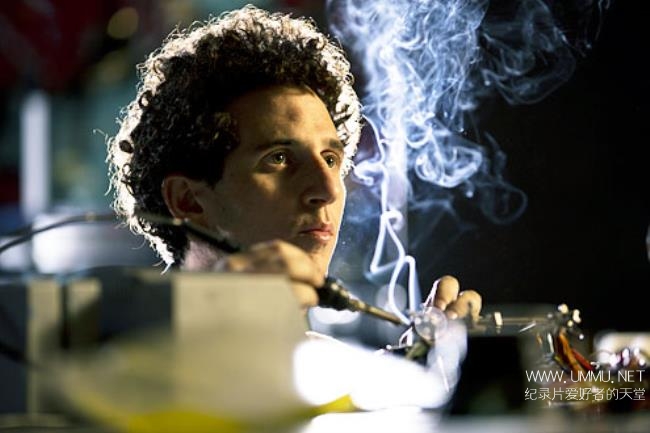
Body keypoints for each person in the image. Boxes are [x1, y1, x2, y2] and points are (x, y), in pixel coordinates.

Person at [107, 4, 481, 325]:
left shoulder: (343, 372)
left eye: (331, 159)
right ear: (188, 201)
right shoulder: (114, 359)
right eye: (280, 158)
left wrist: (427, 368)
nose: (328, 189)